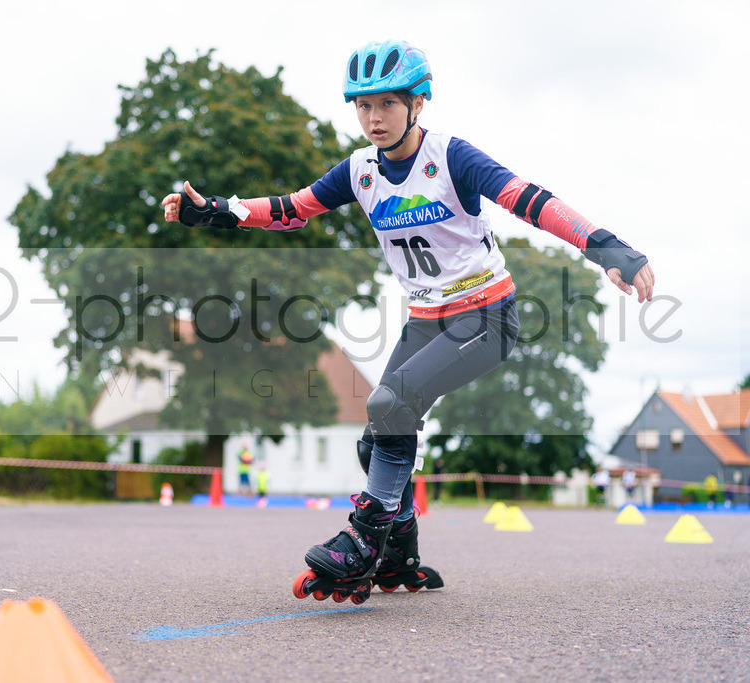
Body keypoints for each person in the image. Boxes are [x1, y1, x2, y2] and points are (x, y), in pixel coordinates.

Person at [162, 39, 654, 603]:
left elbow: (530, 201)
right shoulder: (361, 170)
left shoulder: (452, 157)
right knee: (376, 442)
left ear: (417, 104)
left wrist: (607, 248)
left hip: (488, 316)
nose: (373, 118)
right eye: (363, 106)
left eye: (387, 104)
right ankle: (400, 552)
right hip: (427, 318)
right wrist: (220, 211)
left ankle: (365, 539)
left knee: (389, 405)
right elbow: (292, 210)